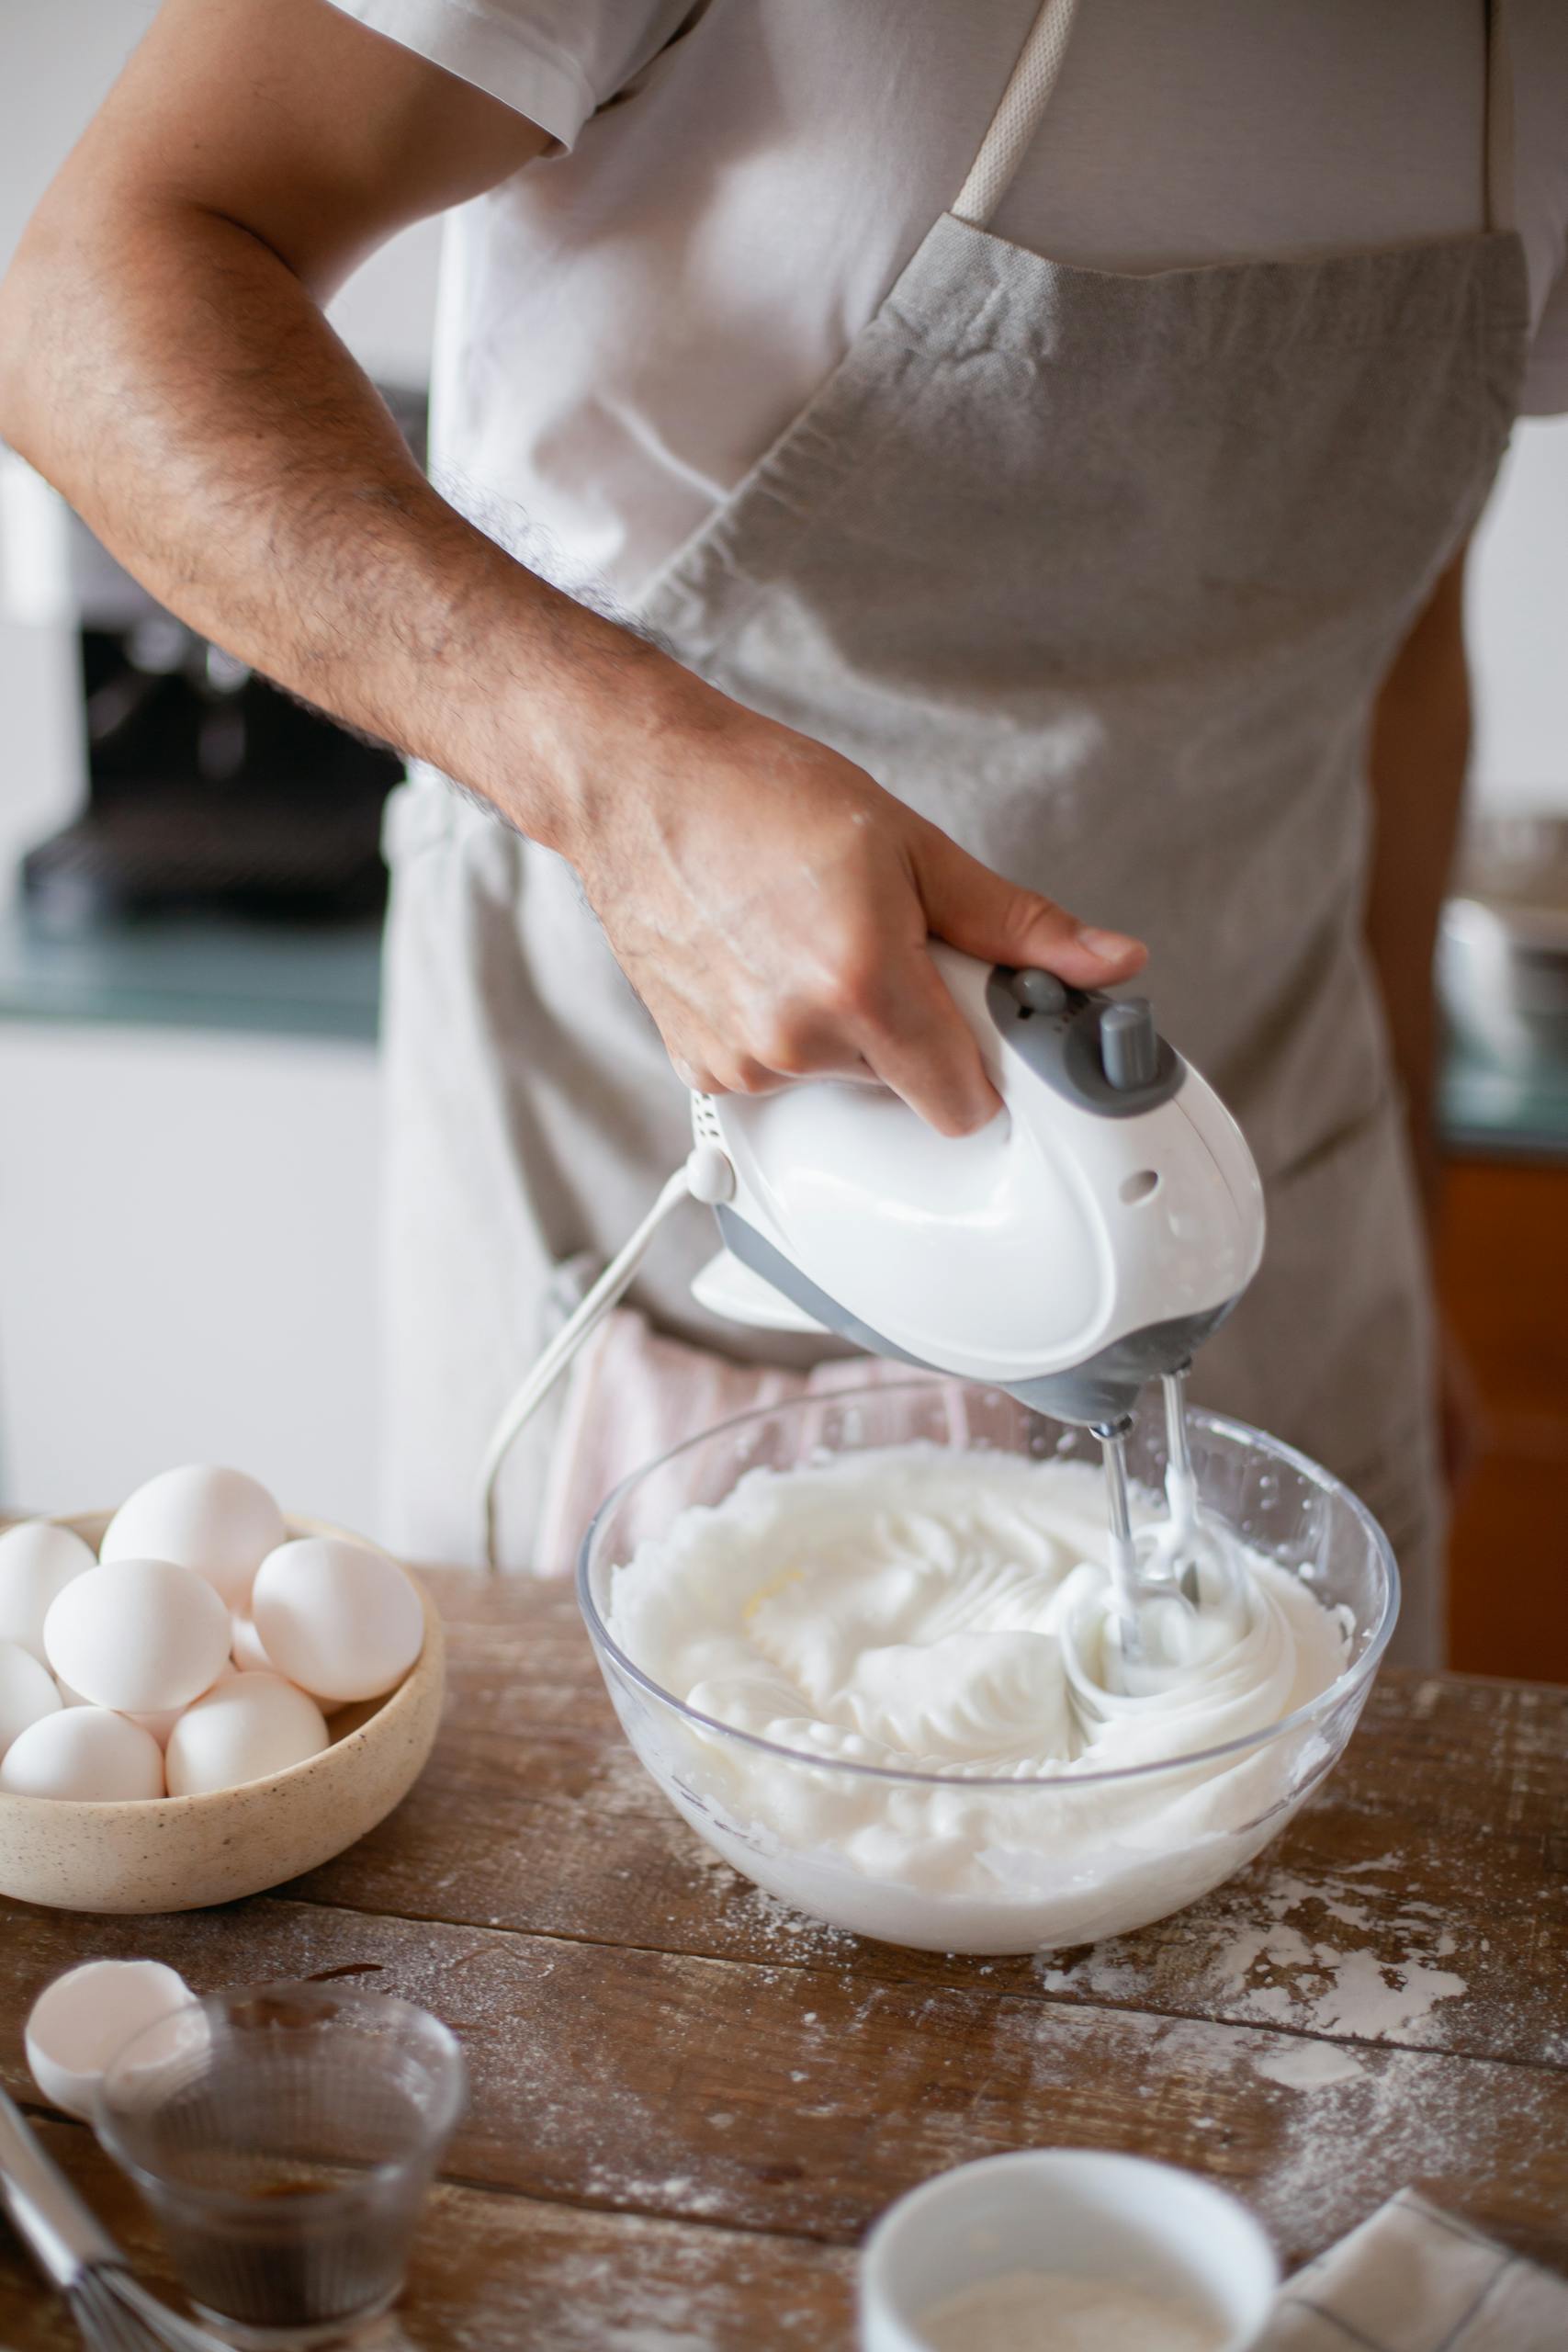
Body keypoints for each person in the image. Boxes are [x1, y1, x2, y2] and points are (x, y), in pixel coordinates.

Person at [3, 0, 1565, 1659]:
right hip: (667, 1225)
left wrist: (1409, 1234)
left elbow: (1396, 659)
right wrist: (635, 787)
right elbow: (93, 291)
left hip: (1277, 1244)